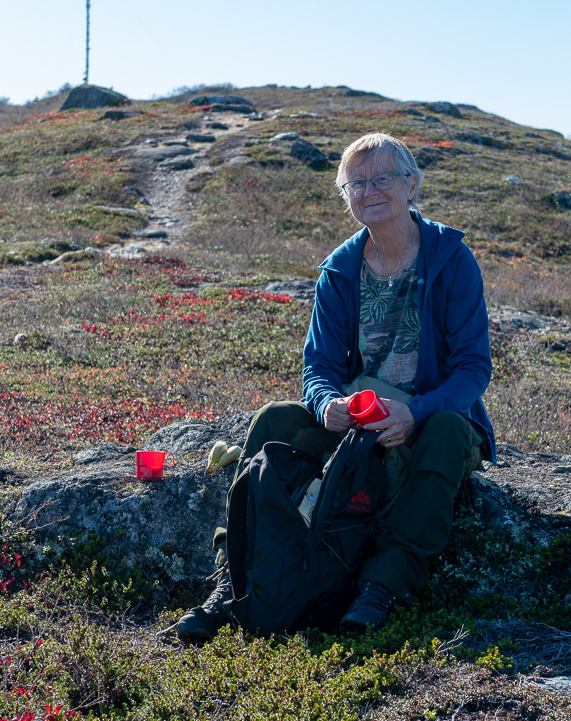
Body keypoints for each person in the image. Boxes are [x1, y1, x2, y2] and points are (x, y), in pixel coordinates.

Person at [175, 132, 496, 642]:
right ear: (346, 197)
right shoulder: (339, 271)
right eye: (355, 183)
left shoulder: (452, 259)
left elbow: (474, 367)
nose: (369, 190)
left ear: (412, 184)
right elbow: (318, 367)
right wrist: (328, 404)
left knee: (452, 433)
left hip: (429, 417)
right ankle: (234, 577)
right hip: (359, 420)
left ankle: (383, 583)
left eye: (382, 178)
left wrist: (418, 412)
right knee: (275, 420)